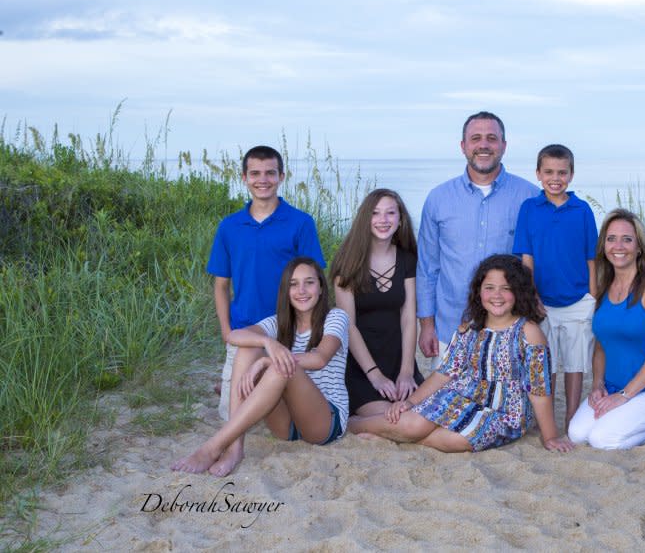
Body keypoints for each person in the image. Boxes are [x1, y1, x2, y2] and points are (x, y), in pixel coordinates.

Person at [349, 254, 574, 453]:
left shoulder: (529, 332)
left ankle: (391, 434)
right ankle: (354, 424)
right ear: (479, 291)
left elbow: (539, 390)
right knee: (414, 424)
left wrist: (550, 435)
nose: (497, 295)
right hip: (461, 396)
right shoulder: (469, 328)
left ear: (519, 292)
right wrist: (410, 402)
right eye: (489, 287)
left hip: (504, 412)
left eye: (506, 288)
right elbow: (444, 373)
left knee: (458, 441)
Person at [171, 258, 349, 476]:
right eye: (293, 284)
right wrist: (266, 343)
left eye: (309, 282)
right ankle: (235, 448)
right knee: (248, 348)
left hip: (323, 421)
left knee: (280, 367)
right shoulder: (280, 322)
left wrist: (267, 360)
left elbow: (320, 358)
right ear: (286, 290)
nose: (301, 290)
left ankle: (212, 447)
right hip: (286, 425)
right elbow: (234, 336)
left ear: (321, 287)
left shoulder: (336, 317)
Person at [207, 145, 326, 421]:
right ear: (244, 177)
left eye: (270, 173)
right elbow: (221, 285)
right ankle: (232, 386)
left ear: (282, 176)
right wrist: (227, 331)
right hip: (245, 331)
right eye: (255, 173)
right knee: (231, 417)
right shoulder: (229, 227)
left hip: (290, 329)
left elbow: (314, 282)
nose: (263, 180)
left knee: (288, 413)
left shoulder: (301, 223)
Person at [417, 111, 537, 365]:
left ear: (504, 145)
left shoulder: (530, 197)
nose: (483, 145)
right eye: (476, 138)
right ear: (463, 146)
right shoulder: (438, 199)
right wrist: (426, 324)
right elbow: (428, 267)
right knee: (448, 403)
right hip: (449, 327)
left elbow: (539, 263)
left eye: (492, 138)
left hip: (509, 330)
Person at [567, 209, 645, 449]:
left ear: (639, 247)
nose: (618, 246)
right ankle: (623, 410)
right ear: (604, 245)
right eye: (611, 239)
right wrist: (598, 386)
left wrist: (624, 396)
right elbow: (601, 346)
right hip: (614, 386)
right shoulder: (603, 288)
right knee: (577, 433)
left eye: (627, 239)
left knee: (603, 439)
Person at [513, 144, 598, 432]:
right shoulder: (529, 209)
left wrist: (593, 296)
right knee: (544, 363)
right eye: (548, 171)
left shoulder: (582, 210)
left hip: (578, 299)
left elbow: (591, 259)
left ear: (571, 175)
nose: (555, 178)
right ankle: (545, 417)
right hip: (542, 302)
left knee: (574, 363)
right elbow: (527, 259)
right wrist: (531, 297)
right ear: (538, 173)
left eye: (562, 172)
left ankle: (571, 417)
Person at [330, 189, 424, 416]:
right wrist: (375, 376)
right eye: (376, 213)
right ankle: (353, 424)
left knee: (424, 414)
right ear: (366, 219)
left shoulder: (407, 259)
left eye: (390, 213)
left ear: (400, 219)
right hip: (361, 367)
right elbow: (348, 325)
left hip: (399, 361)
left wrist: (407, 371)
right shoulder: (348, 263)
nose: (383, 220)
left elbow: (409, 318)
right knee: (400, 418)